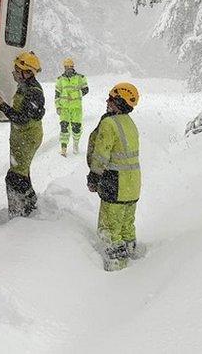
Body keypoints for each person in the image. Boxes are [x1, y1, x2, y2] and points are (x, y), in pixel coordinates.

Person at [86, 82, 141, 271]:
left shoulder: (109, 123)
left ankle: (117, 270)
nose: (107, 101)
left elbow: (102, 154)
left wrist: (93, 177)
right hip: (132, 186)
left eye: (111, 98)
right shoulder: (130, 123)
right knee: (126, 226)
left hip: (115, 184)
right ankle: (135, 260)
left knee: (110, 229)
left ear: (119, 101)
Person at [0, 51, 45, 218]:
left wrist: (2, 106)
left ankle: (19, 214)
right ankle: (30, 203)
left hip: (27, 138)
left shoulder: (33, 91)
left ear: (27, 72)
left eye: (17, 69)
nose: (14, 72)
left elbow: (21, 119)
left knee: (14, 177)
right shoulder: (25, 87)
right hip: (21, 138)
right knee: (22, 172)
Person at [55, 57, 89, 157]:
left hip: (76, 108)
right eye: (66, 68)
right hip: (64, 108)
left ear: (73, 67)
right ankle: (63, 148)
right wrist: (58, 106)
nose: (68, 69)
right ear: (64, 68)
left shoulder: (80, 78)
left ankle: (76, 144)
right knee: (64, 128)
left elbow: (86, 90)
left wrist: (74, 95)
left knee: (76, 128)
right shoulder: (60, 80)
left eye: (70, 67)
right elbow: (57, 94)